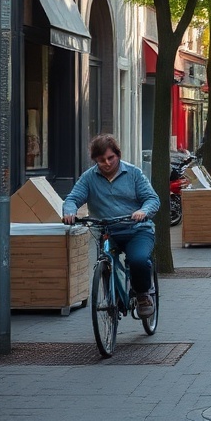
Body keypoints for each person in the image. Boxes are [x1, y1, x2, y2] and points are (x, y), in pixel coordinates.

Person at [62, 134, 160, 317]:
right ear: (95, 160)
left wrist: (143, 211)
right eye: (101, 160)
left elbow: (152, 199)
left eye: (111, 158)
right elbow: (73, 198)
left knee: (138, 260)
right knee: (106, 260)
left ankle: (143, 295)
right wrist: (69, 212)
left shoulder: (134, 173)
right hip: (107, 231)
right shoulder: (89, 178)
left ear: (118, 154)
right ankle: (112, 294)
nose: (107, 163)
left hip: (137, 230)